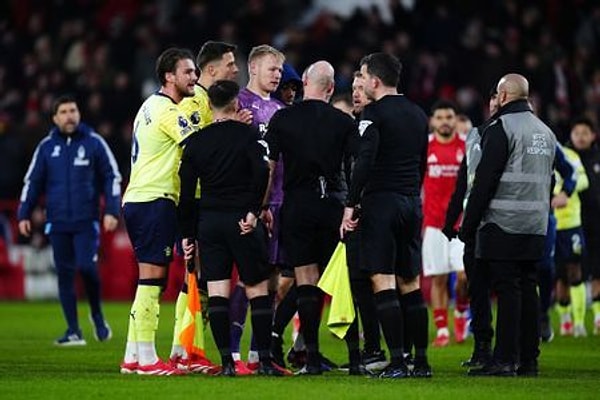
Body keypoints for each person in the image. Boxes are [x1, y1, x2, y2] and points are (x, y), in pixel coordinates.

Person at [178, 79, 286, 377]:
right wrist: (254, 211)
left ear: (210, 106)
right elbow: (262, 173)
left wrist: (188, 235)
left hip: (210, 223)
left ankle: (226, 362)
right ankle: (263, 361)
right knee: (257, 288)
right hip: (242, 222)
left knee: (218, 292)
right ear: (236, 104)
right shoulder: (248, 136)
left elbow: (186, 194)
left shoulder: (196, 142)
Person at [340, 53, 432, 379]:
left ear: (375, 81)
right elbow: (422, 161)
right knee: (411, 282)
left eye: (362, 76)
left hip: (381, 203)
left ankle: (395, 362)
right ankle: (420, 362)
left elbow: (365, 161)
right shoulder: (419, 114)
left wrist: (351, 203)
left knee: (382, 280)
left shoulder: (373, 113)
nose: (360, 81)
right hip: (411, 202)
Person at [460, 73, 556, 377]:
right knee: (529, 287)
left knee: (507, 289)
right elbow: (550, 182)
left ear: (502, 97)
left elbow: (484, 182)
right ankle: (529, 359)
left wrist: (469, 224)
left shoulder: (501, 128)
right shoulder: (546, 132)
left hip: (502, 222)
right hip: (536, 224)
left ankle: (504, 359)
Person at [265, 60, 357, 375]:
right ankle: (357, 356)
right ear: (331, 88)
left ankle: (312, 358)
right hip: (332, 206)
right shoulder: (344, 122)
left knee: (305, 280)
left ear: (304, 81)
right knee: (337, 280)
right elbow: (354, 168)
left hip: (297, 205)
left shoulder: (282, 118)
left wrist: (263, 205)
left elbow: (271, 167)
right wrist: (352, 205)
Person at [18, 94, 121, 346]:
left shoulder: (94, 142)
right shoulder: (46, 147)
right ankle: (73, 330)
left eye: (72, 110)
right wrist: (24, 212)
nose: (69, 115)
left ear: (79, 113)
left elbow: (112, 176)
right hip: (58, 221)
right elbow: (32, 182)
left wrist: (112, 210)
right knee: (64, 274)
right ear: (54, 118)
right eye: (63, 112)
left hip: (87, 221)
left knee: (87, 268)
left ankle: (97, 315)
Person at [119, 47, 197, 376]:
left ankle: (133, 355)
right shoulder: (167, 110)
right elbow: (198, 147)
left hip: (140, 197)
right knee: (153, 281)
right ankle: (149, 360)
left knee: (149, 281)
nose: (194, 78)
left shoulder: (148, 106)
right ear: (169, 76)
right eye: (188, 72)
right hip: (155, 198)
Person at [168, 40, 240, 374]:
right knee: (193, 274)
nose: (234, 68)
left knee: (204, 278)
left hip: (213, 198)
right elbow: (185, 148)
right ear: (211, 70)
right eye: (230, 64)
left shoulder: (220, 102)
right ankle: (183, 348)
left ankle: (189, 348)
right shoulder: (190, 103)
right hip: (194, 197)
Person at [229, 44, 285, 373]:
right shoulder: (238, 104)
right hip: (248, 203)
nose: (277, 74)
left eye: (280, 70)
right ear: (253, 68)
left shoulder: (279, 109)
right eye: (271, 68)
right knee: (246, 279)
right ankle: (234, 354)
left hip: (277, 202)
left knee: (273, 280)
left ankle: (257, 353)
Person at [444, 87, 500, 367]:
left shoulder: (507, 134)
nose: (494, 103)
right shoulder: (476, 135)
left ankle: (505, 352)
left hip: (500, 223)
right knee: (478, 290)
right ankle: (482, 349)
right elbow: (463, 183)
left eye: (497, 97)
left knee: (504, 290)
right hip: (475, 225)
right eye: (490, 98)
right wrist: (450, 219)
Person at [423, 100, 468, 347]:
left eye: (448, 117)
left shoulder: (466, 147)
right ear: (433, 121)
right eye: (439, 117)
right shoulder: (425, 148)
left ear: (455, 120)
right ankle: (442, 330)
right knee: (438, 278)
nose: (444, 122)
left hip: (461, 224)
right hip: (433, 224)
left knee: (464, 277)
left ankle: (461, 312)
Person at [553, 144, 589, 337]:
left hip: (571, 223)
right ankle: (564, 319)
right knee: (555, 275)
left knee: (574, 271)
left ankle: (579, 322)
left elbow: (583, 180)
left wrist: (564, 192)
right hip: (547, 223)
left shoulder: (570, 155)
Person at [569, 117, 600, 334]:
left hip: (596, 221)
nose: (580, 136)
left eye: (585, 132)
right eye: (577, 132)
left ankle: (598, 316)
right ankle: (574, 319)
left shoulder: (598, 158)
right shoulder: (565, 156)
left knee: (597, 269)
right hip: (572, 221)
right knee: (573, 268)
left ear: (593, 136)